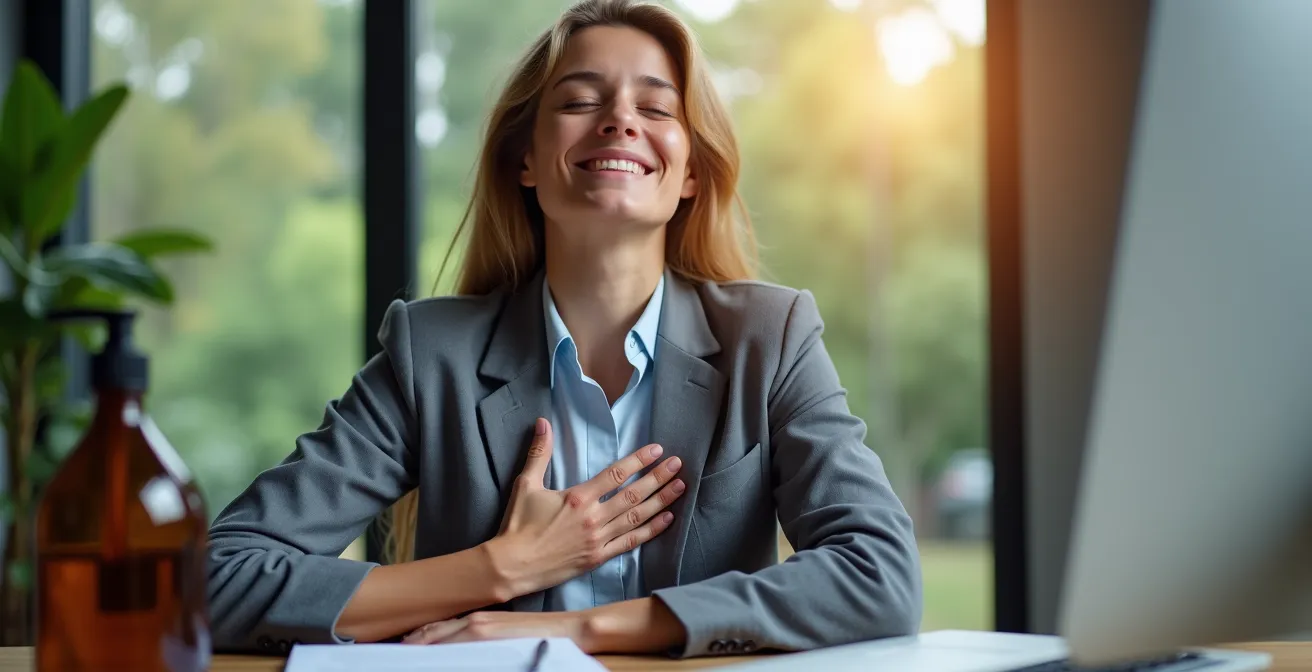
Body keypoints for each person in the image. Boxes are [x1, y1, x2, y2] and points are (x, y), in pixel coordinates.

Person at [206, 0, 922, 659]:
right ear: (525, 161)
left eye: (654, 106)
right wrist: (500, 568)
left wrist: (579, 629)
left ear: (692, 172)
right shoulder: (431, 356)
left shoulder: (772, 338)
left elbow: (880, 574)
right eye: (581, 101)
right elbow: (213, 580)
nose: (619, 119)